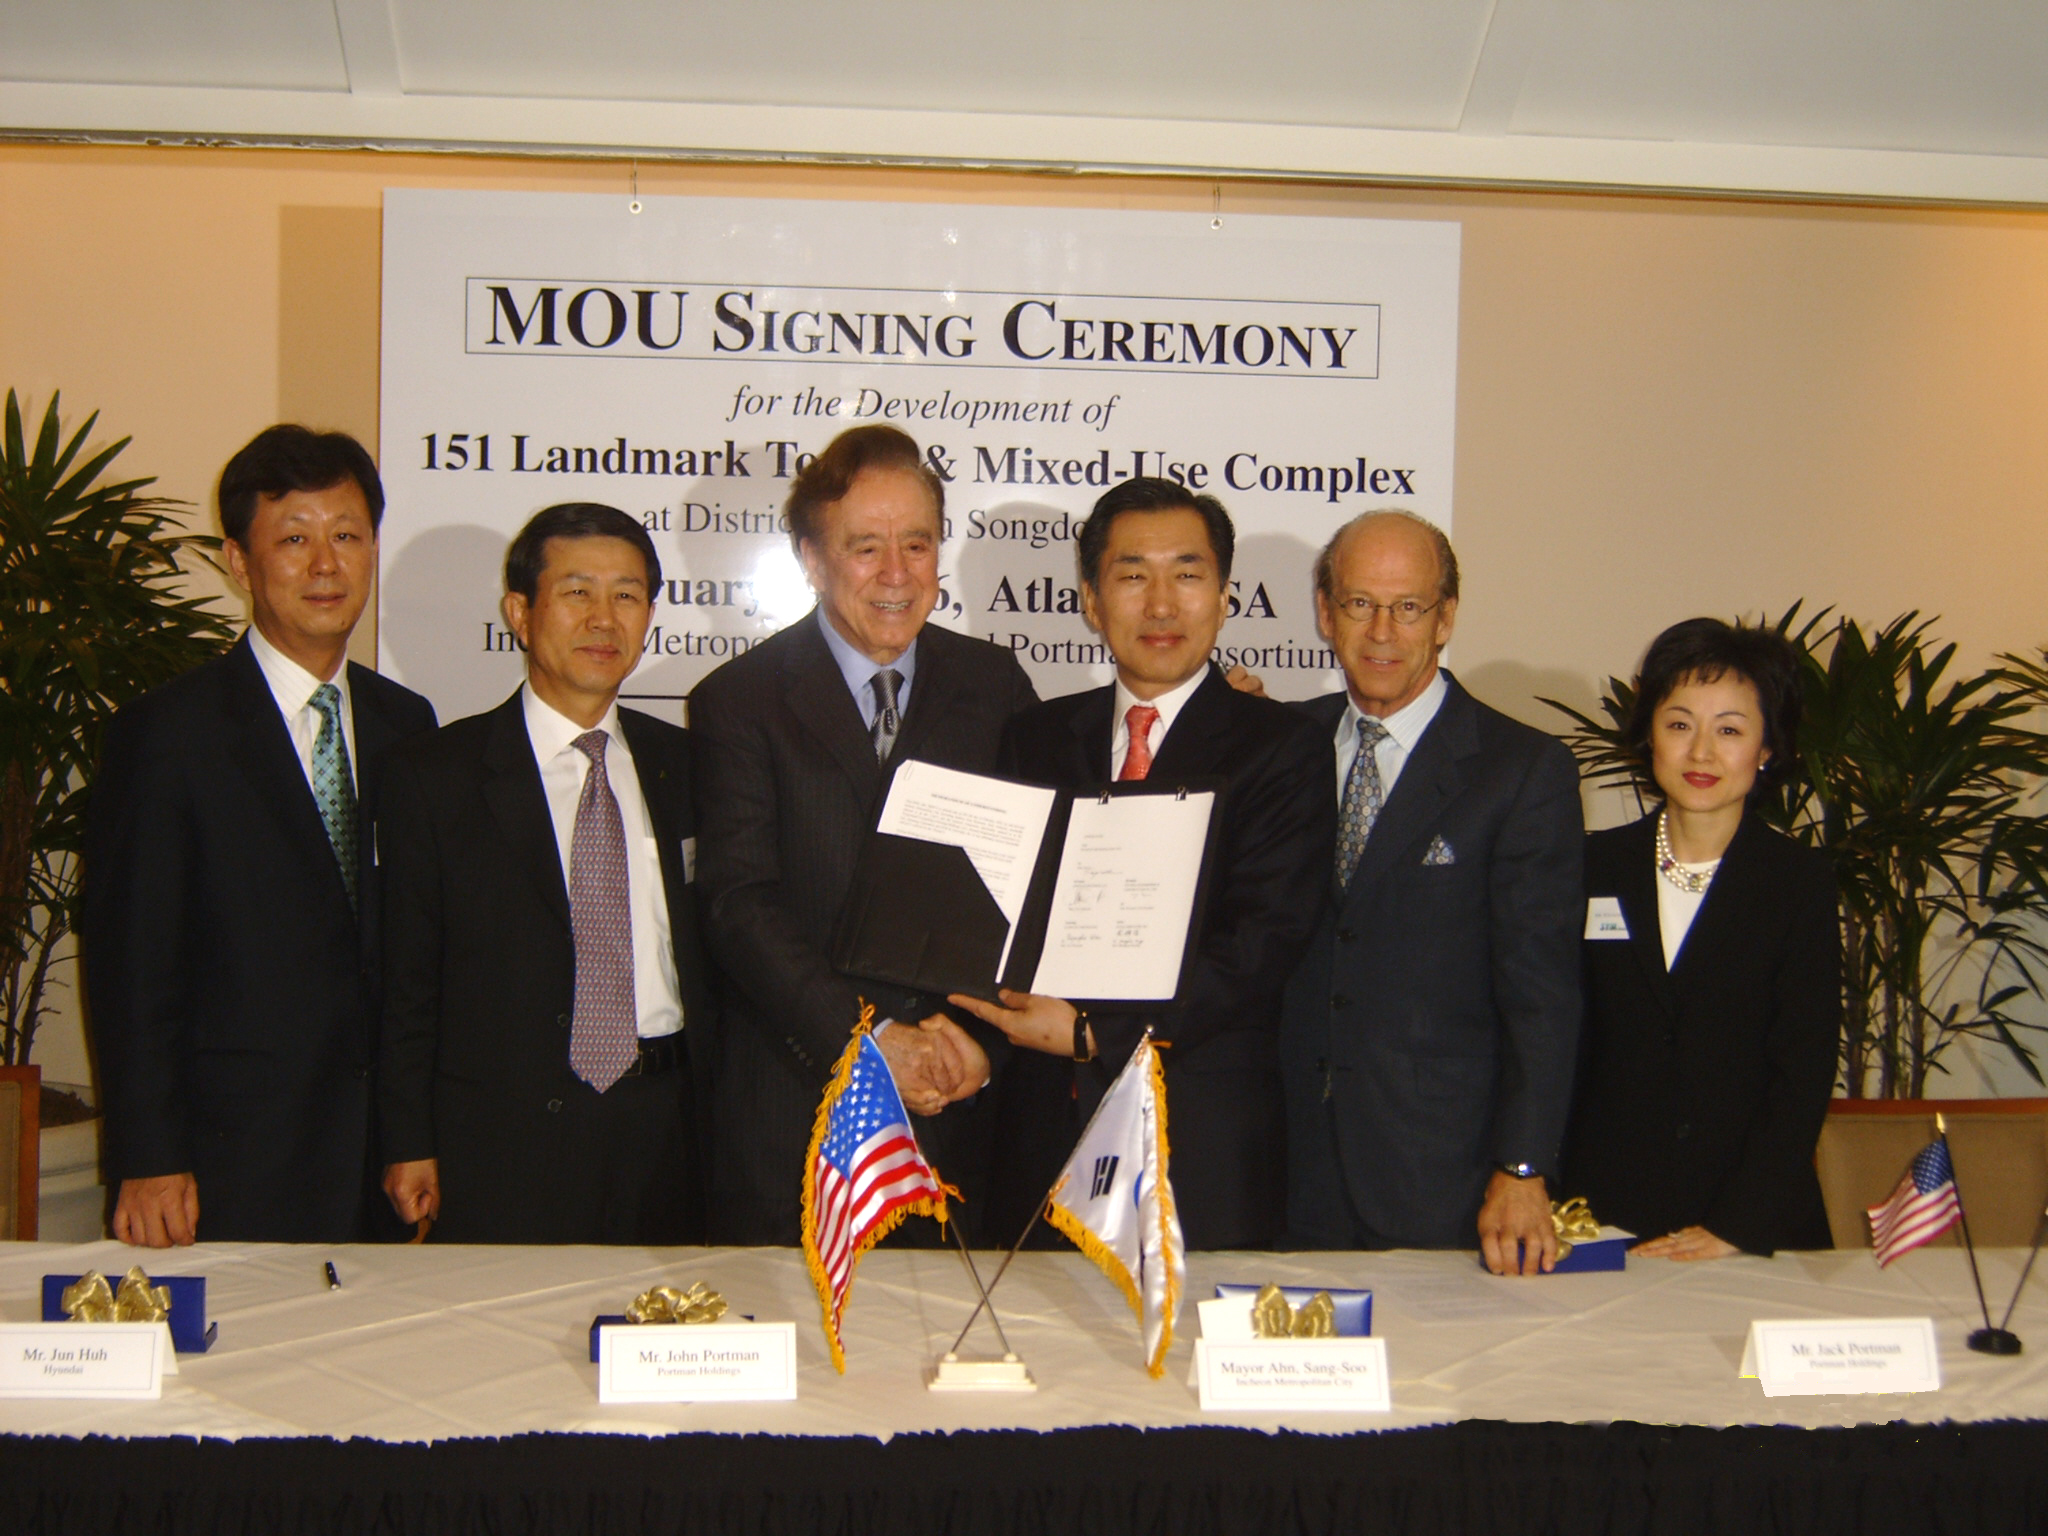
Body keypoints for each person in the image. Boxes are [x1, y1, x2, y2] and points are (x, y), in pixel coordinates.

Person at [950, 478, 1335, 1251]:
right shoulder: (1033, 739)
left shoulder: (1282, 748)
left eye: (1187, 575)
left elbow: (1260, 945)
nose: (1161, 604)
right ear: (1092, 602)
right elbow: (997, 921)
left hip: (1201, 1146)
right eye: (1132, 576)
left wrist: (1096, 1032)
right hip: (1039, 1142)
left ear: (1224, 597)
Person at [82, 425, 438, 1246]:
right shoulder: (166, 734)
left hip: (379, 1167)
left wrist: (415, 1135)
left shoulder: (406, 723)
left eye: (347, 536)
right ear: (240, 562)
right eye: (294, 540)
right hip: (226, 1162)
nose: (326, 565)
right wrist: (149, 1155)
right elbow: (133, 963)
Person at [690, 426, 1038, 1245]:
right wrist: (870, 1039)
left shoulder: (996, 687)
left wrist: (984, 1046)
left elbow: (1035, 888)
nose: (896, 573)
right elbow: (739, 905)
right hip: (796, 1115)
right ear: (811, 560)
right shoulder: (739, 700)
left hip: (956, 1118)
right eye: (865, 547)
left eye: (917, 544)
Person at [376, 503, 710, 1243]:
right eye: (576, 592)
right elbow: (405, 981)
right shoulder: (436, 775)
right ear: (520, 614)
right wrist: (407, 1140)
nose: (603, 618)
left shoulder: (690, 766)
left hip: (670, 1132)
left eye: (626, 595)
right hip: (503, 1141)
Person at [1280, 511, 1584, 1274]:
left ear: (1445, 618)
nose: (1381, 630)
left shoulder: (1521, 771)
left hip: (1440, 1176)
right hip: (1285, 1171)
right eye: (1359, 603)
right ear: (1325, 612)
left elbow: (1542, 995)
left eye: (1408, 606)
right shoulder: (1276, 747)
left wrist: (1522, 1166)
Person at [1560, 619, 1840, 1257]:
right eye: (1680, 724)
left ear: (1767, 748)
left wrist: (1737, 1225)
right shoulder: (1591, 867)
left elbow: (1802, 1072)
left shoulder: (1799, 883)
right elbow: (1558, 1043)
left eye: (1730, 730)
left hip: (1750, 1222)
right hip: (1601, 1214)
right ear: (1649, 734)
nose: (1702, 753)